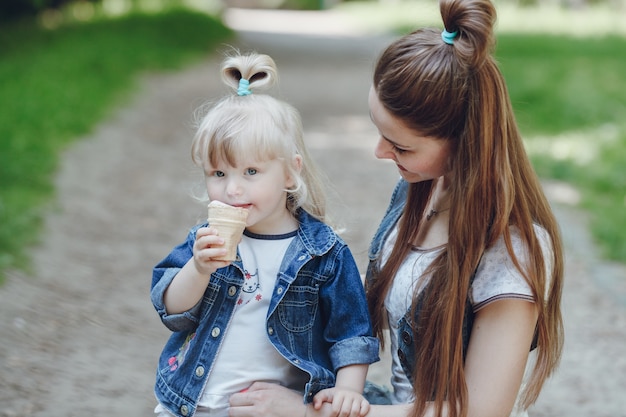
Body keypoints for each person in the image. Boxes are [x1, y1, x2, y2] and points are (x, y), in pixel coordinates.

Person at [227, 0, 564, 416]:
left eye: (401, 146)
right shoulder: (419, 191)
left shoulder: (514, 250)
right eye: (378, 130)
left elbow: (480, 412)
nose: (380, 152)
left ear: (464, 142)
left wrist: (307, 413)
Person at [150, 52, 379, 417]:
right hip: (189, 403)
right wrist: (198, 269)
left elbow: (351, 333)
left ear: (290, 173)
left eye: (251, 172)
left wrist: (347, 391)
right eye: (218, 174)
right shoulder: (204, 240)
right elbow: (171, 309)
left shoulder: (324, 254)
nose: (233, 190)